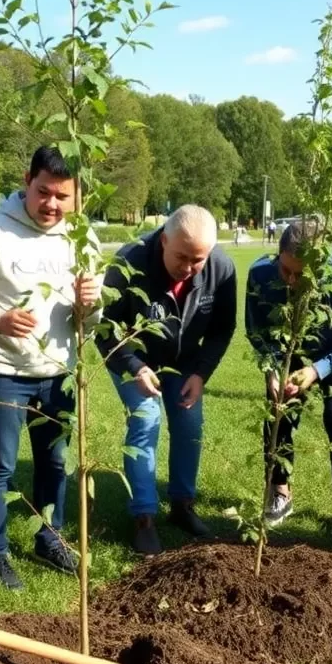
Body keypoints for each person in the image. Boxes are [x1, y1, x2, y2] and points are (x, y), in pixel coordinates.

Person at [0, 146, 101, 590]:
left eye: (62, 196)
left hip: (60, 372)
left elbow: (94, 319)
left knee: (56, 463)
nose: (52, 204)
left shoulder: (82, 239)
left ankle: (50, 538)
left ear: (76, 195)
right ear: (27, 180)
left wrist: (93, 305)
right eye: (43, 191)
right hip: (3, 371)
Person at [96, 205, 237, 555]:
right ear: (163, 240)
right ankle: (144, 516)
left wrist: (201, 374)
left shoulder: (221, 268)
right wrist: (134, 366)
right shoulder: (129, 262)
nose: (189, 268)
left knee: (189, 425)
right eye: (182, 257)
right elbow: (104, 329)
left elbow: (222, 330)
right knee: (146, 420)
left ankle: (182, 504)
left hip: (186, 361)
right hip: (133, 355)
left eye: (198, 260)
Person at [245, 221, 332, 540]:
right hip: (294, 348)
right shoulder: (261, 275)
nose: (291, 280)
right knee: (279, 411)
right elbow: (257, 331)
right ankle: (280, 492)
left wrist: (317, 370)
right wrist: (271, 369)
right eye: (286, 270)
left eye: (300, 275)